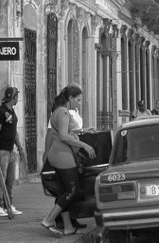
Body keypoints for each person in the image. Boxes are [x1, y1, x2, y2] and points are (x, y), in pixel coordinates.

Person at [40, 85, 96, 236]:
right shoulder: (64, 112)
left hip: (56, 154)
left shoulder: (57, 111)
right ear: (70, 98)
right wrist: (85, 145)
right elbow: (64, 136)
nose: (79, 103)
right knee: (73, 190)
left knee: (63, 191)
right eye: (77, 100)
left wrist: (83, 131)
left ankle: (67, 226)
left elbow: (60, 131)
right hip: (63, 155)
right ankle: (49, 219)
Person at [0, 86, 25, 218]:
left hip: (11, 150)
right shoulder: (0, 112)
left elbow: (14, 132)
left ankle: (8, 203)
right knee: (0, 179)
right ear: (13, 97)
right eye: (17, 96)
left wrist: (20, 148)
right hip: (2, 150)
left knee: (10, 180)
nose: (18, 98)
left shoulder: (12, 112)